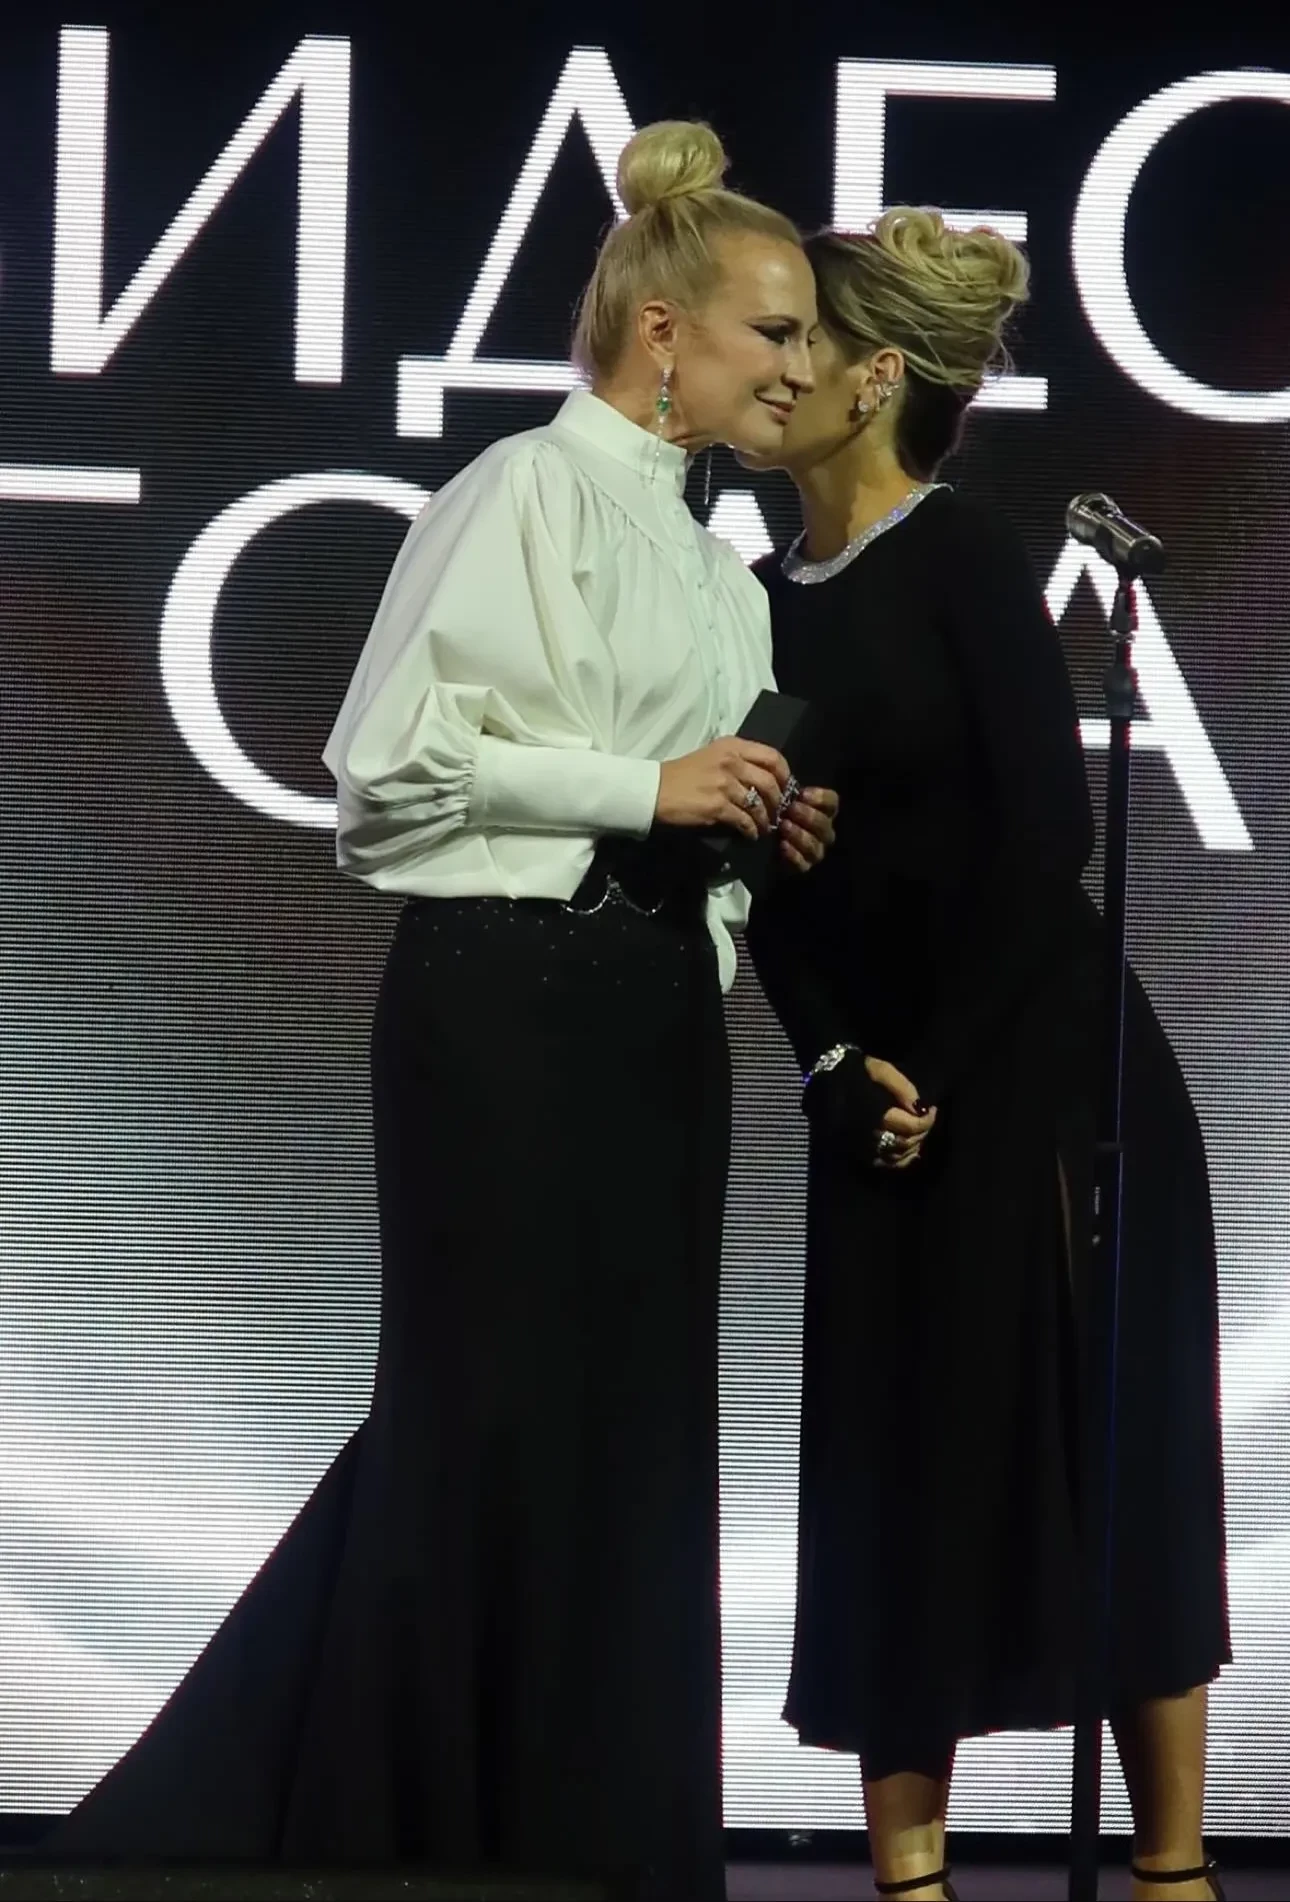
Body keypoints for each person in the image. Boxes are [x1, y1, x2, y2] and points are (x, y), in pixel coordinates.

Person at [49, 122, 837, 1901]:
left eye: (803, 337)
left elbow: (682, 804)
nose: (800, 368)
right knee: (483, 1419)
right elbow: (386, 774)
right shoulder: (520, 491)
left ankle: (593, 1844)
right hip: (503, 1012)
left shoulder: (718, 571)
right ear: (663, 333)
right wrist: (648, 789)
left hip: (653, 1023)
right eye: (774, 330)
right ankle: (394, 1837)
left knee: (628, 1443)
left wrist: (751, 831)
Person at [739, 210, 1231, 1902]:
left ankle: (1170, 1870)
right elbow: (752, 881)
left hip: (1040, 1068)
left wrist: (930, 1063)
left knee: (1109, 1445)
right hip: (876, 1093)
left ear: (874, 375)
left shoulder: (959, 554)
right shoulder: (745, 601)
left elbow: (1046, 839)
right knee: (887, 1458)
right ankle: (906, 1877)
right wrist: (834, 1061)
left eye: (799, 339)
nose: (772, 369)